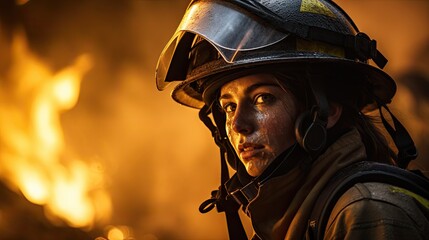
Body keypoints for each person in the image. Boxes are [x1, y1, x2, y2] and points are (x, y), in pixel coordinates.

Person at [155, 0, 429, 239]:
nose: (238, 125)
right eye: (228, 107)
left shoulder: (365, 212)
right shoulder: (298, 215)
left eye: (262, 98)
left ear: (328, 110)